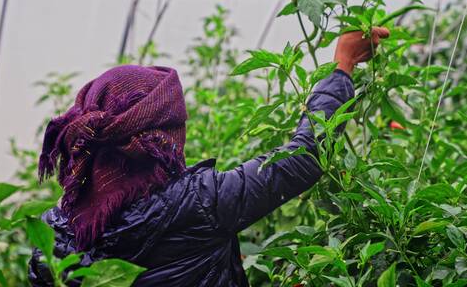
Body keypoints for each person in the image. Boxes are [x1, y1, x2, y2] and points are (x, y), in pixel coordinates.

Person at [28, 27, 390, 287]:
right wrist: (343, 67)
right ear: (164, 137)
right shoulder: (202, 202)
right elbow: (305, 155)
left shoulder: (55, 234)